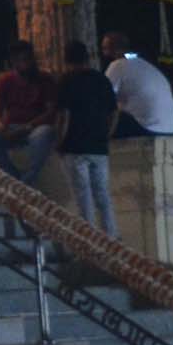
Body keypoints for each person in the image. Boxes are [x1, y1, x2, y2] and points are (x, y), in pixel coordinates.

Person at [54, 41, 119, 236]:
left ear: (67, 60)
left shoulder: (66, 81)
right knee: (102, 195)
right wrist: (106, 135)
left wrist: (59, 141)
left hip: (74, 146)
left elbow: (64, 116)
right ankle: (111, 236)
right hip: (98, 146)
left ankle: (88, 240)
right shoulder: (101, 79)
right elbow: (114, 113)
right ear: (87, 58)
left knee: (83, 196)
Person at [0, 40, 61, 186]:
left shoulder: (45, 79)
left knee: (44, 134)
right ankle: (14, 179)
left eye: (29, 59)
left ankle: (28, 180)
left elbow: (51, 111)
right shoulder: (6, 80)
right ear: (14, 61)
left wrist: (28, 127)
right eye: (22, 60)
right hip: (12, 127)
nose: (27, 63)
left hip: (35, 128)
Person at [98, 29, 173, 138]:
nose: (103, 53)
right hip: (169, 128)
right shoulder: (142, 64)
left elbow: (103, 97)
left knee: (104, 113)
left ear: (114, 50)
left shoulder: (117, 65)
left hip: (147, 127)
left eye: (105, 49)